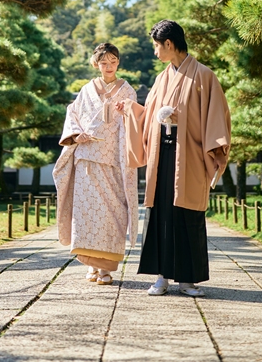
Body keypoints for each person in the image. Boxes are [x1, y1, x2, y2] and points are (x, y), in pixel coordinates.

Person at [120, 20, 230, 297]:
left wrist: (214, 149)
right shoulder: (161, 79)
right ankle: (161, 277)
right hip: (162, 153)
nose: (155, 52)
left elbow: (217, 116)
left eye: (157, 46)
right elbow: (149, 116)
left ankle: (188, 280)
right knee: (160, 214)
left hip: (190, 154)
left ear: (169, 44)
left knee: (187, 214)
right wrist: (132, 110)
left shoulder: (204, 76)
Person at [53, 42, 139, 285]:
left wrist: (128, 110)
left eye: (113, 62)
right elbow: (73, 115)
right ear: (96, 64)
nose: (109, 66)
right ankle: (91, 265)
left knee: (112, 215)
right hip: (87, 159)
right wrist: (75, 135)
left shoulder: (128, 91)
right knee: (86, 215)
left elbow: (137, 122)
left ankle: (106, 269)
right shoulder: (86, 90)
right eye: (104, 62)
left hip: (113, 161)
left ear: (118, 62)